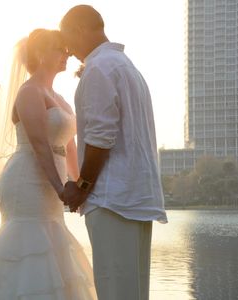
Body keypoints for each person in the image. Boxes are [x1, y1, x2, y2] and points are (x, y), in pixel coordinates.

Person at [0, 29, 97, 300]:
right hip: (27, 180)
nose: (66, 54)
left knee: (54, 244)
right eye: (60, 49)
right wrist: (60, 188)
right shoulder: (29, 92)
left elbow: (68, 147)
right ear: (41, 53)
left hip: (53, 182)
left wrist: (80, 186)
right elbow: (39, 145)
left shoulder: (61, 99)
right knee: (28, 240)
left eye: (66, 49)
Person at [58, 5, 168, 300]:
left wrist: (81, 187)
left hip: (112, 199)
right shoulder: (125, 66)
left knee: (115, 291)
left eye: (68, 40)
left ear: (80, 30)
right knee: (132, 291)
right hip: (134, 195)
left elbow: (100, 138)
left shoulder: (99, 69)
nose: (68, 50)